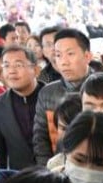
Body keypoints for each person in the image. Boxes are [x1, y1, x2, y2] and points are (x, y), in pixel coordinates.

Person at [33, 29, 94, 165]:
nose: (64, 62)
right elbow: (40, 138)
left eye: (70, 54)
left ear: (87, 56)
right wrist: (48, 171)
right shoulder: (47, 93)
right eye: (59, 55)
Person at [0, 45, 45, 170]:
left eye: (18, 65)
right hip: (21, 179)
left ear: (36, 70)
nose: (12, 71)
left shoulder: (53, 96)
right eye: (6, 66)